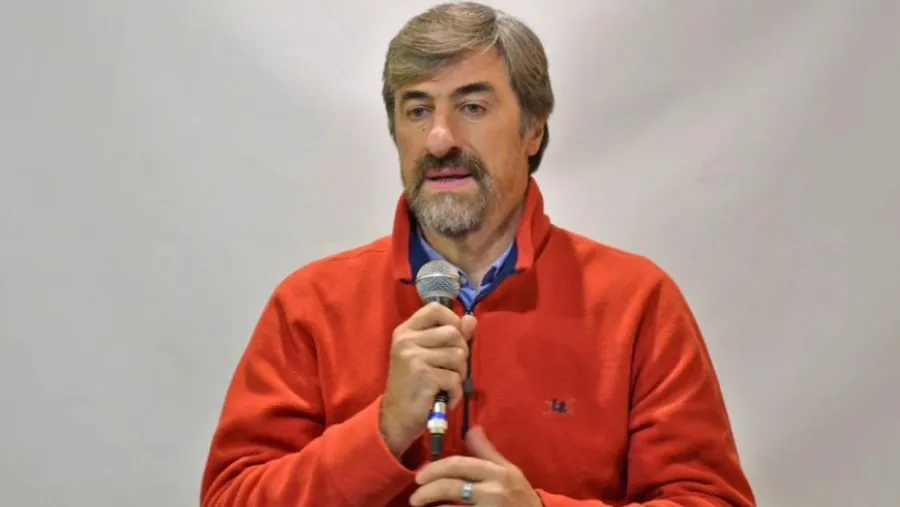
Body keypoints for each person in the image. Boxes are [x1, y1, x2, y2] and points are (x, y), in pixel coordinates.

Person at [199, 2, 756, 506]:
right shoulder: (310, 305)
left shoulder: (636, 302)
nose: (440, 139)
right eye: (418, 110)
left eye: (471, 106)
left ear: (533, 130)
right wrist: (383, 430)